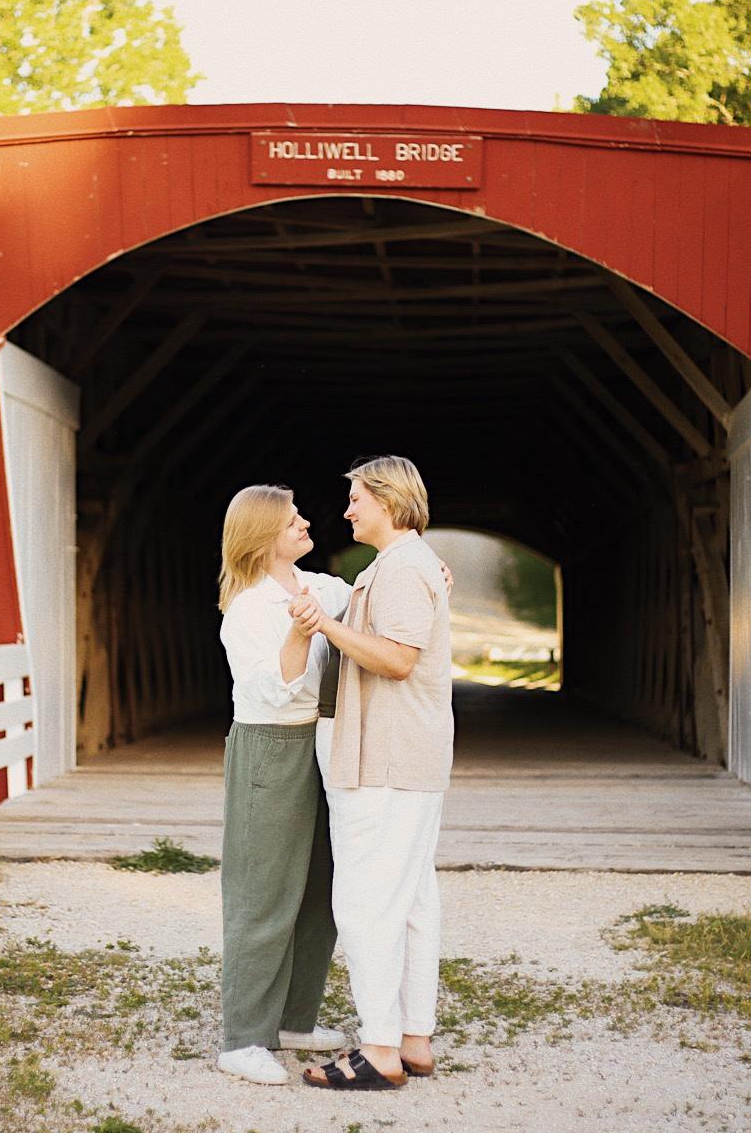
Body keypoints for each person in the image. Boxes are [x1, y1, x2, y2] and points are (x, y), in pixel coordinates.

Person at [290, 456, 453, 1092]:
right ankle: (413, 1039)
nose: (349, 509)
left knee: (366, 904)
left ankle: (380, 1050)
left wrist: (324, 625)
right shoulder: (405, 564)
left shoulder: (405, 567)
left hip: (384, 761)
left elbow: (397, 660)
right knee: (410, 901)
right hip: (403, 757)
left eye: (357, 498)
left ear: (388, 500)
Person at [215, 484, 353, 1085]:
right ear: (263, 535)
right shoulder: (248, 609)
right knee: (263, 893)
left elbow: (369, 606)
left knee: (320, 886)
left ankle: (296, 1019)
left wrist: (429, 578)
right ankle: (243, 1038)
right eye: (292, 520)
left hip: (318, 745)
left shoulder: (317, 586)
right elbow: (274, 689)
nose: (304, 523)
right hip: (269, 747)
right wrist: (299, 634)